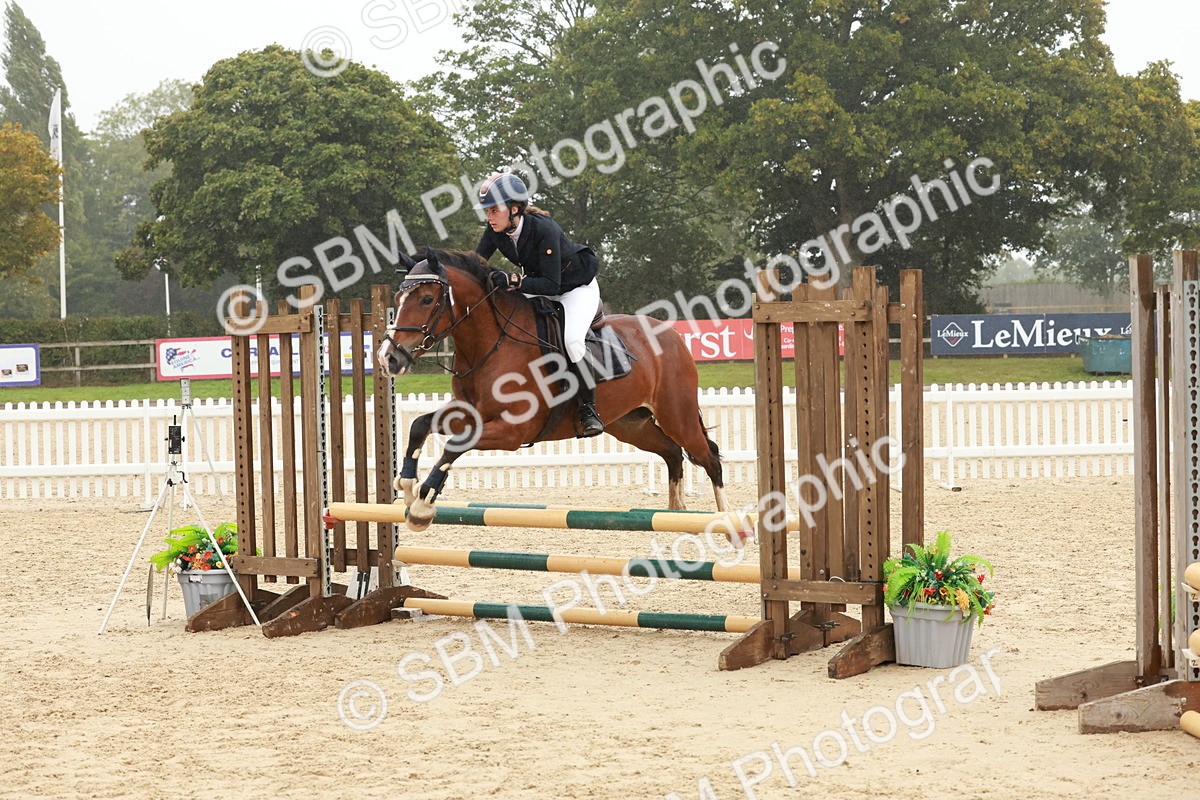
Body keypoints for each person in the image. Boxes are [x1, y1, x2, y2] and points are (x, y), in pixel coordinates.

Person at [474, 172, 604, 437]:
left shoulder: (545, 229)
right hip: (539, 284)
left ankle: (588, 410)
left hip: (574, 288)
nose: (489, 217)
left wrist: (511, 279)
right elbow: (476, 262)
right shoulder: (496, 230)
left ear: (514, 209)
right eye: (487, 211)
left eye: (494, 210)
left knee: (571, 341)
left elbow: (551, 285)